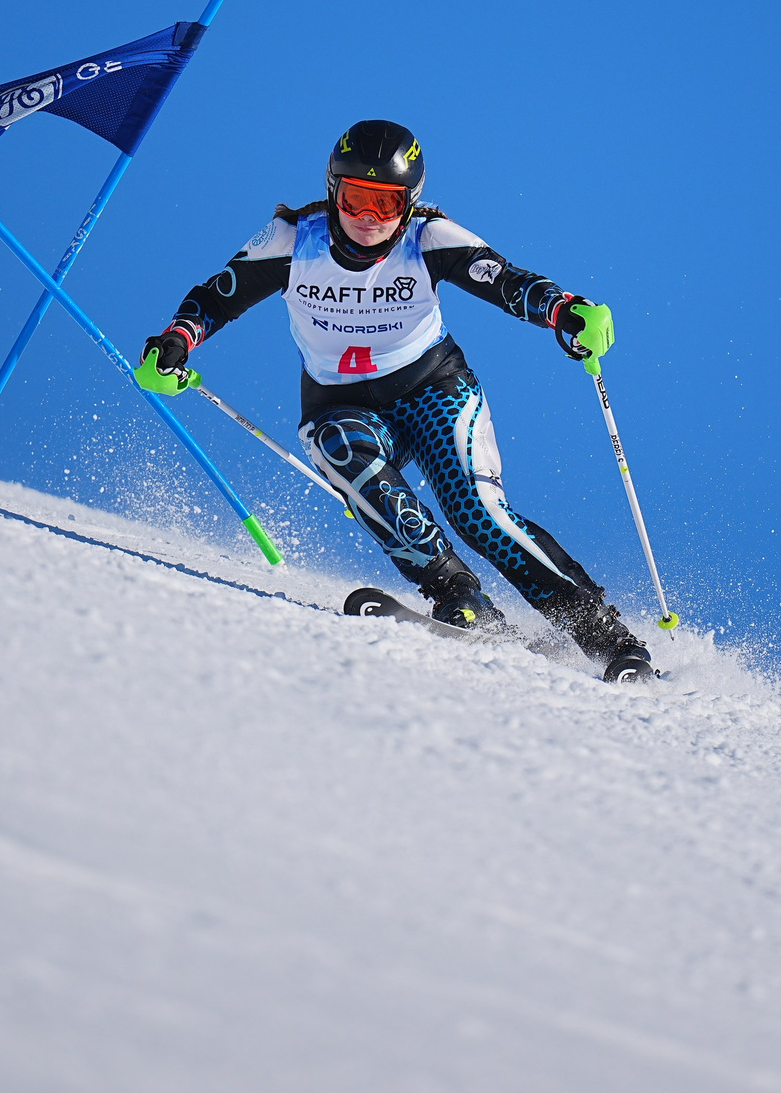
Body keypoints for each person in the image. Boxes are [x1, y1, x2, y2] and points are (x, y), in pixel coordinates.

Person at [135, 119, 655, 681]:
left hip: (433, 389)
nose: (366, 219)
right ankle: (458, 595)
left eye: (385, 205)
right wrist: (176, 341)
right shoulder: (294, 239)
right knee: (338, 447)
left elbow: (505, 280)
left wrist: (565, 310)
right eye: (355, 198)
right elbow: (217, 295)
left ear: (409, 205)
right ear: (333, 191)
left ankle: (602, 632)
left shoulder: (428, 238)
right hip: (341, 402)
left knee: (475, 512)